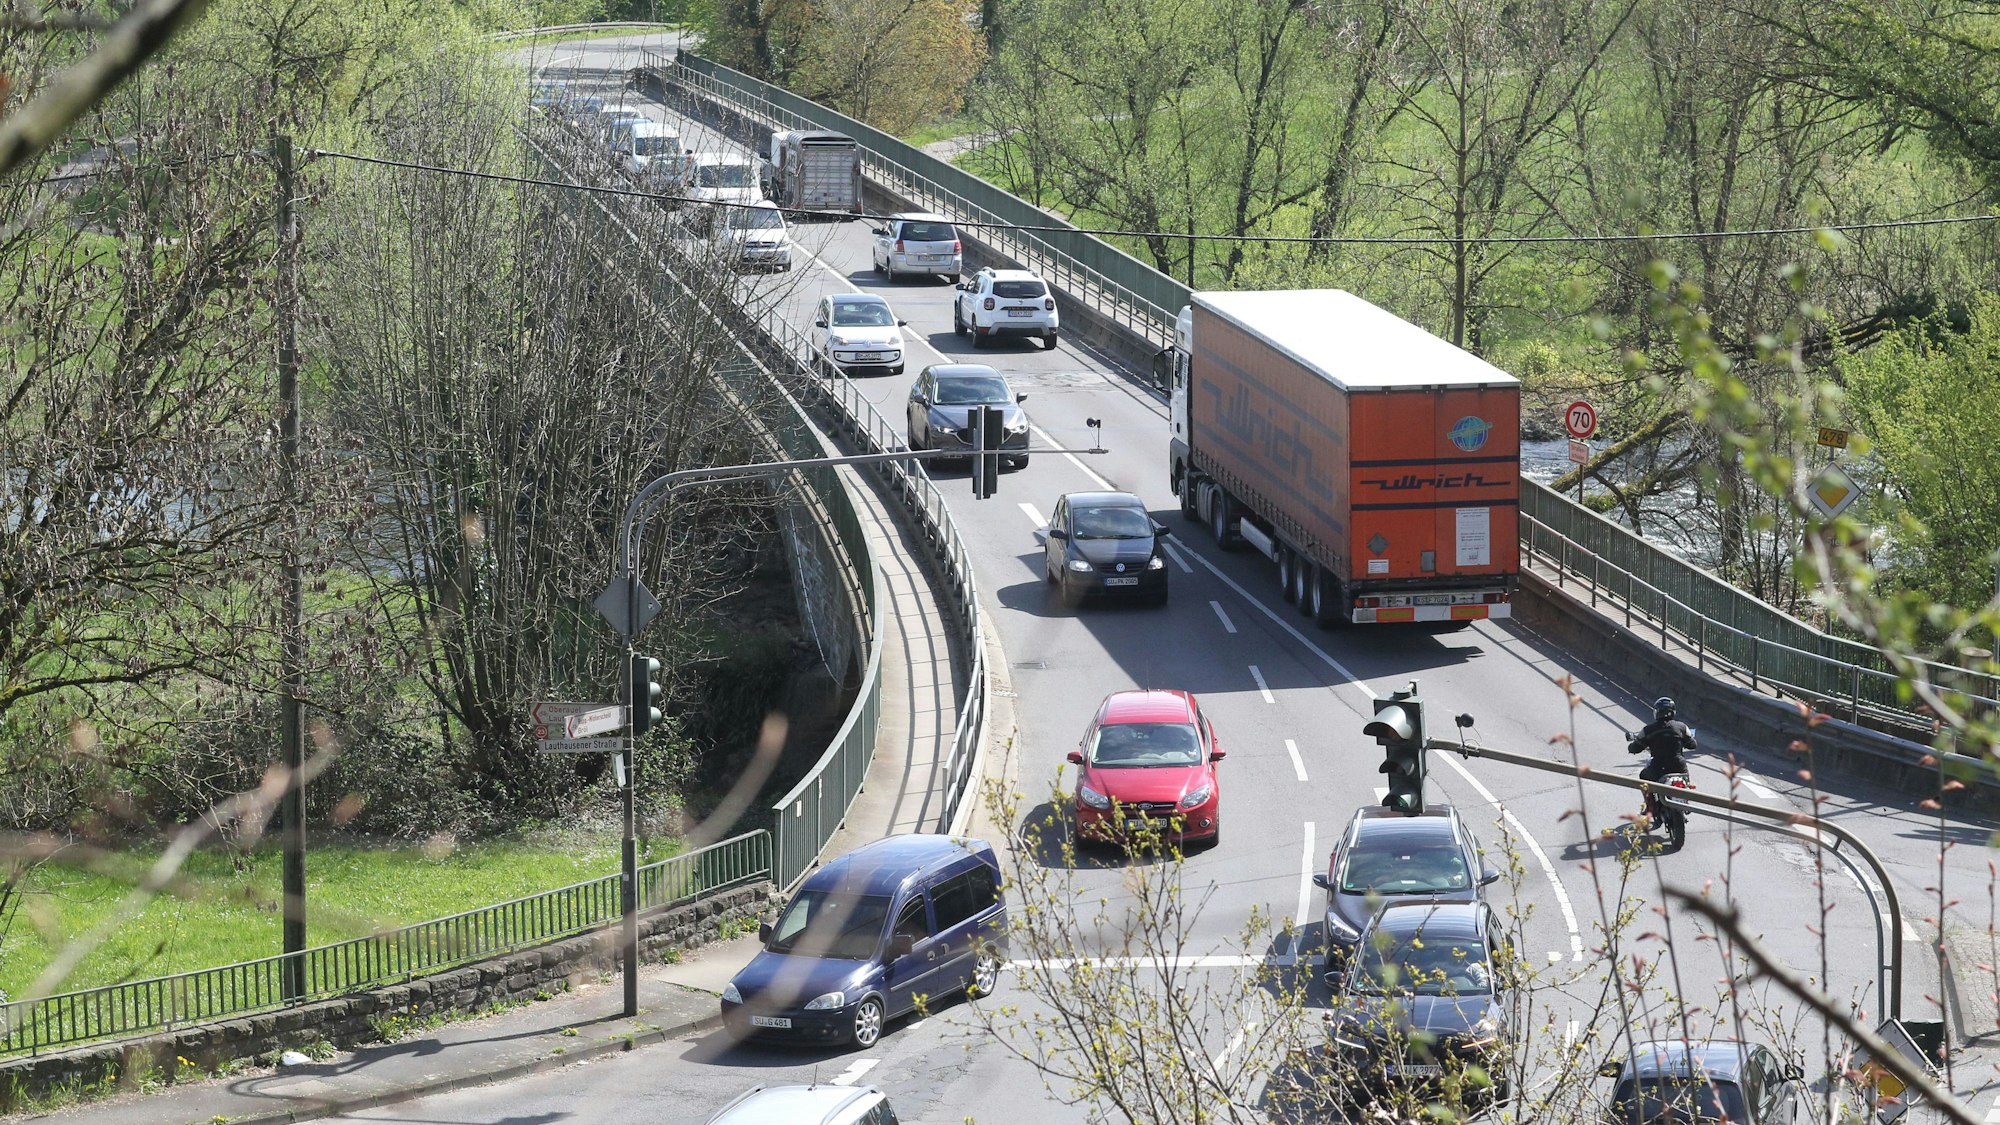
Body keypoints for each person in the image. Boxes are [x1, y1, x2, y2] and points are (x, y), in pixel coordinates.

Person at [1629, 697, 1695, 815]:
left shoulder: (1648, 730)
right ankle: (1685, 799)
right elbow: (1693, 744)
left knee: (1643, 776)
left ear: (1657, 712)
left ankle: (1650, 807)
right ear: (1673, 712)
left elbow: (1635, 747)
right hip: (1678, 766)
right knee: (1685, 779)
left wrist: (1632, 747)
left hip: (1658, 767)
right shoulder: (1682, 727)